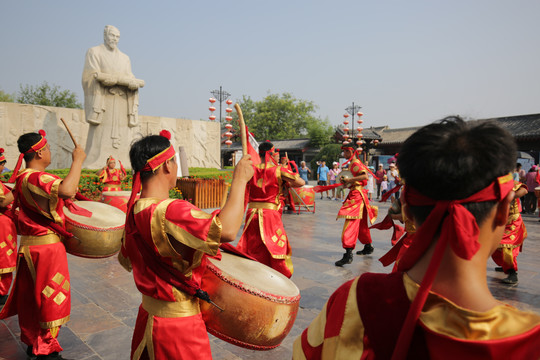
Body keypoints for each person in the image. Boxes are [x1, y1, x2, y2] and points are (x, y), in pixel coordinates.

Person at [293, 117, 540, 359]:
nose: (346, 153)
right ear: (505, 211)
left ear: (407, 210)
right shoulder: (530, 341)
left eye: (346, 150)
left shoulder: (353, 300)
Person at [118, 131, 253, 359]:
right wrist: (239, 180)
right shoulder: (170, 210)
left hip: (149, 317)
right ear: (167, 166)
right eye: (174, 161)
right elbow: (227, 230)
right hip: (178, 329)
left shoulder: (135, 209)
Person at [0, 130, 86, 359]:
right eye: (47, 148)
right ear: (39, 152)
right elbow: (67, 189)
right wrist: (77, 161)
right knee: (51, 295)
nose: (49, 152)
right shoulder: (38, 176)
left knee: (31, 297)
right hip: (47, 248)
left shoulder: (22, 177)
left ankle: (32, 340)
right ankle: (46, 348)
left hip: (29, 246)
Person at [236, 141, 305, 278]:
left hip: (252, 214)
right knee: (275, 244)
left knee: (254, 246)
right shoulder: (278, 169)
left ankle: (253, 274)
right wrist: (284, 181)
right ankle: (278, 275)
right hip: (269, 214)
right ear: (271, 154)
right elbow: (300, 182)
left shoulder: (251, 169)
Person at [82, 25, 145, 168]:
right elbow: (89, 77)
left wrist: (133, 83)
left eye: (117, 37)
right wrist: (104, 80)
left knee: (123, 135)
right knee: (100, 134)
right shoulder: (94, 52)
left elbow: (130, 77)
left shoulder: (125, 58)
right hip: (103, 101)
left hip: (122, 101)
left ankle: (123, 161)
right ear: (105, 36)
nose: (114, 39)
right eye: (112, 36)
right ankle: (96, 161)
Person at [334, 144, 378, 267]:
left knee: (350, 222)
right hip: (359, 194)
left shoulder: (354, 163)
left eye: (345, 152)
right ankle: (368, 246)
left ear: (350, 151)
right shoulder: (354, 162)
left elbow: (364, 177)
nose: (344, 155)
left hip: (357, 195)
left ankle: (348, 254)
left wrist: (348, 181)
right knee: (362, 223)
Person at [492, 180, 527, 284]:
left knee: (506, 247)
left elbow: (524, 190)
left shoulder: (507, 181)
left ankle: (512, 272)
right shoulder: (491, 184)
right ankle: (505, 265)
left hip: (512, 221)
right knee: (494, 246)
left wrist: (512, 195)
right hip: (499, 220)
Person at [0, 149, 17, 306]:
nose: (3, 166)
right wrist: (17, 187)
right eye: (1, 163)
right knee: (3, 262)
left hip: (5, 229)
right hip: (1, 230)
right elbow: (2, 202)